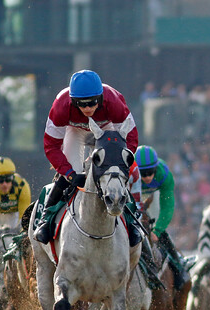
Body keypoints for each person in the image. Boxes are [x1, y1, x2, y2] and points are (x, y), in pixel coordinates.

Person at [34, 69, 142, 246]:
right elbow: (51, 145)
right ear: (72, 101)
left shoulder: (113, 101)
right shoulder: (61, 106)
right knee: (71, 174)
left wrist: (119, 160)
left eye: (92, 103)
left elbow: (131, 137)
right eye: (81, 104)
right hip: (75, 131)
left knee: (114, 174)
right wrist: (69, 173)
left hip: (107, 129)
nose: (87, 109)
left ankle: (132, 223)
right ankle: (47, 217)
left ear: (101, 98)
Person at [135, 145, 189, 291]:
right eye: (143, 173)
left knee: (159, 232)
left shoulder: (164, 175)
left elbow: (167, 207)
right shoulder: (128, 174)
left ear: (156, 168)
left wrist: (157, 231)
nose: (147, 177)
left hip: (154, 198)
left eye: (150, 172)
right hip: (134, 197)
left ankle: (180, 268)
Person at [0, 157, 31, 275]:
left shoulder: (22, 186)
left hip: (13, 215)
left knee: (15, 239)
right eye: (0, 181)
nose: (5, 184)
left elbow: (24, 215)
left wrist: (22, 230)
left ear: (13, 178)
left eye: (8, 179)